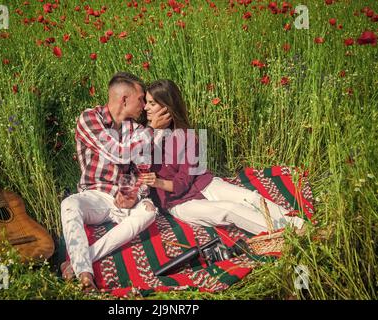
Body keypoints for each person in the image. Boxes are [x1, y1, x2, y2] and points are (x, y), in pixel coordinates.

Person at [140, 79, 305, 236]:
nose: (146, 107)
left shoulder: (188, 136)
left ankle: (300, 226)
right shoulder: (142, 137)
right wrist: (154, 131)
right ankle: (288, 235)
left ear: (167, 107)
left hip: (202, 183)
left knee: (251, 198)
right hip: (179, 203)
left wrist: (158, 181)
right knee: (229, 209)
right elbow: (139, 161)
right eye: (146, 102)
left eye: (152, 103)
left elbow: (184, 181)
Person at [60, 72, 171, 290]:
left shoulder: (137, 130)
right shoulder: (89, 118)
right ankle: (85, 275)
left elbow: (143, 172)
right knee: (69, 204)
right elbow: (116, 153)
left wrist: (135, 196)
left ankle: (81, 258)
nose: (144, 106)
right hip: (95, 196)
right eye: (141, 99)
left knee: (148, 210)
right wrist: (152, 131)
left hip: (123, 201)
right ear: (124, 99)